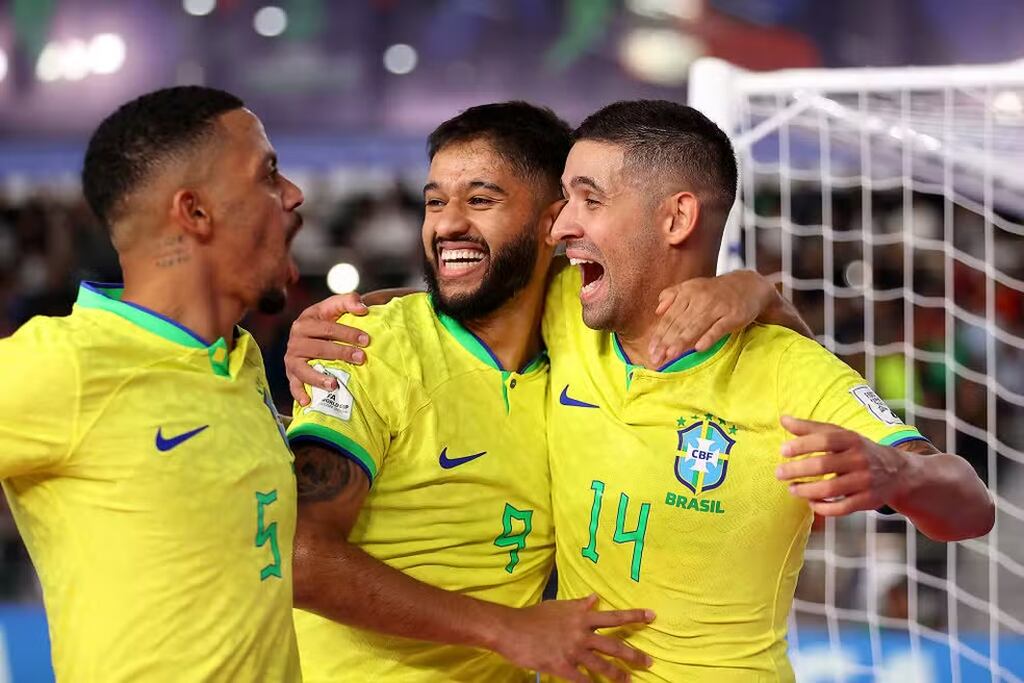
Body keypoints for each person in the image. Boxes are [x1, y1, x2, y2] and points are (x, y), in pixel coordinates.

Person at [283, 102, 811, 682]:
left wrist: (753, 291)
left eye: (480, 201)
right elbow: (298, 557)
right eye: (435, 202)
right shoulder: (362, 349)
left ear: (553, 222)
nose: (447, 224)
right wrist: (507, 628)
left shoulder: (579, 330)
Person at [545, 99, 994, 681]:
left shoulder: (788, 368)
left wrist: (896, 473)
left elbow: (973, 508)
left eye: (591, 199)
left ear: (677, 219)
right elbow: (425, 316)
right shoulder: (561, 307)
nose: (562, 225)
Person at [0, 86, 305, 681]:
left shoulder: (237, 362)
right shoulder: (68, 364)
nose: (293, 194)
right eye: (268, 173)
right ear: (195, 212)